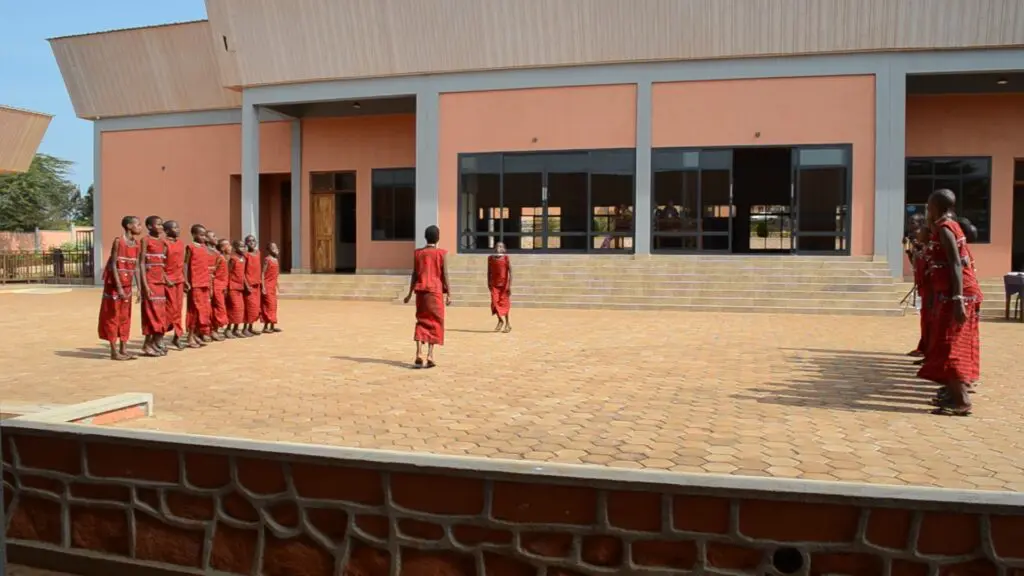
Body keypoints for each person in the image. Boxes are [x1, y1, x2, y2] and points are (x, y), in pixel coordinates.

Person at [918, 189, 983, 416]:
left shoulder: (946, 229)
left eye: (928, 205)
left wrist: (957, 300)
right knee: (950, 344)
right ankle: (953, 393)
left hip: (957, 294)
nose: (927, 210)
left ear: (935, 206)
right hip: (954, 293)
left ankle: (961, 401)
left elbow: (956, 264)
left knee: (950, 346)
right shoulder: (947, 227)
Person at [403, 226, 451, 368]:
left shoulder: (418, 253)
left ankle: (418, 352)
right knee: (435, 322)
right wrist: (449, 293)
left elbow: (415, 274)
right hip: (435, 292)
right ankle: (430, 355)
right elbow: (445, 274)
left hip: (421, 291)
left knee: (421, 320)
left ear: (425, 237)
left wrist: (409, 293)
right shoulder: (441, 254)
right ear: (438, 238)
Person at [97, 216, 142, 361]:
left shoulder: (136, 244)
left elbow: (136, 268)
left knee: (125, 317)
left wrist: (139, 288)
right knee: (113, 317)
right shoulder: (118, 242)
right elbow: (114, 265)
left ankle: (124, 348)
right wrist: (119, 287)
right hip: (114, 287)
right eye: (138, 224)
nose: (140, 227)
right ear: (129, 226)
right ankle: (113, 351)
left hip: (128, 286)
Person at [138, 215, 168, 357]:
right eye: (158, 224)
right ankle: (146, 345)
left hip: (160, 283)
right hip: (150, 282)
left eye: (162, 224)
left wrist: (166, 278)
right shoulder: (145, 240)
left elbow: (163, 264)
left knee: (160, 314)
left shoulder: (162, 242)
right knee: (150, 314)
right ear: (150, 226)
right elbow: (142, 263)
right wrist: (144, 285)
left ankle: (155, 341)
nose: (161, 227)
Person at [184, 224, 212, 348]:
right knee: (194, 310)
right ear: (194, 235)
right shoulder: (190, 247)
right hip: (194, 283)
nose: (203, 237)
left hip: (204, 282)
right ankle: (190, 337)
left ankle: (196, 334)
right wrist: (185, 280)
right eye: (201, 235)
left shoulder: (204, 247)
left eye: (205, 235)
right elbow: (185, 264)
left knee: (203, 310)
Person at [163, 220, 186, 350]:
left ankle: (177, 337)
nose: (178, 229)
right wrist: (166, 278)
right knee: (169, 310)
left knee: (178, 309)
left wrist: (185, 280)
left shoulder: (181, 243)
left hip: (179, 280)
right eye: (174, 227)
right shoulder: (164, 244)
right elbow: (159, 264)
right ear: (167, 231)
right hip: (169, 281)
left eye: (178, 227)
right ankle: (159, 336)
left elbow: (182, 263)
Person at [487, 242, 512, 332]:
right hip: (494, 285)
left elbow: (511, 272)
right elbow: (489, 272)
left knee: (504, 304)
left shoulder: (506, 258)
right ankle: (500, 320)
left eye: (501, 246)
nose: (499, 248)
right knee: (494, 303)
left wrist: (510, 285)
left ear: (504, 249)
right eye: (497, 246)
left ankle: (507, 324)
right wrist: (488, 283)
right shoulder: (490, 258)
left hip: (504, 285)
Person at [226, 240, 248, 338]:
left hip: (240, 287)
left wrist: (246, 285)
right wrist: (227, 287)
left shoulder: (243, 258)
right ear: (235, 248)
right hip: (232, 287)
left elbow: (242, 274)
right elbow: (228, 272)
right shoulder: (233, 259)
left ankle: (236, 329)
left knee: (240, 309)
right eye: (240, 247)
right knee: (233, 308)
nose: (243, 249)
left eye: (244, 246)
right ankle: (228, 329)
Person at [210, 238, 230, 340]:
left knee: (220, 308)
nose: (230, 247)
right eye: (228, 245)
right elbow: (212, 271)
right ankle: (214, 330)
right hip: (217, 286)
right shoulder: (219, 257)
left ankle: (215, 329)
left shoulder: (225, 258)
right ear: (222, 248)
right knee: (219, 309)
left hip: (223, 286)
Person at [243, 234, 262, 337]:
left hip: (257, 284)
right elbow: (243, 271)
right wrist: (246, 284)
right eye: (249, 241)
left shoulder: (258, 253)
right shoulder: (245, 255)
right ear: (246, 243)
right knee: (249, 307)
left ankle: (250, 327)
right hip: (249, 284)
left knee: (255, 308)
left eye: (253, 241)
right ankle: (245, 328)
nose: (252, 243)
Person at [261, 242, 281, 333]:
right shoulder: (267, 259)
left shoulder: (276, 260)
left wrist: (278, 286)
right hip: (268, 285)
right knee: (268, 306)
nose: (276, 249)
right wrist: (263, 287)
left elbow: (276, 275)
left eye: (276, 247)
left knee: (274, 306)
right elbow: (263, 273)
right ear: (269, 250)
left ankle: (272, 325)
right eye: (273, 248)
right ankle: (266, 326)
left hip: (273, 286)